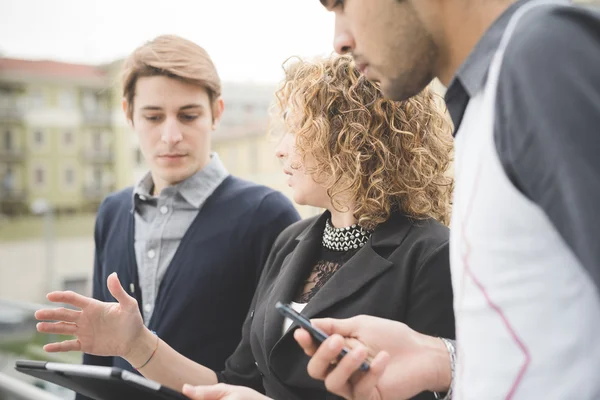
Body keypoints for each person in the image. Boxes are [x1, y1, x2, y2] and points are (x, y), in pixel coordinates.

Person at [35, 55, 456, 400]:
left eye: (295, 128)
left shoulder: (432, 254)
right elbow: (233, 387)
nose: (279, 148)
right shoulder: (291, 242)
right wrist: (136, 344)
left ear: (352, 137)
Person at [296, 0, 600, 399]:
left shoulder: (542, 56)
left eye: (341, 4)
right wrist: (441, 361)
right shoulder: (483, 103)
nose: (340, 40)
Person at [73, 34, 300, 400]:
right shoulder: (112, 212)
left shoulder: (267, 215)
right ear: (129, 114)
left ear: (217, 113)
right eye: (153, 116)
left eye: (188, 115)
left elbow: (279, 369)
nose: (171, 135)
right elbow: (96, 356)